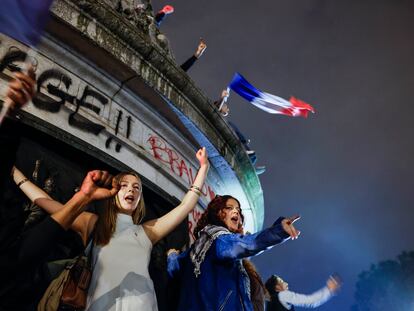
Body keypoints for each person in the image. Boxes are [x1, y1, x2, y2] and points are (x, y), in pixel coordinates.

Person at [14, 147, 209, 311]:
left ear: (140, 199)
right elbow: (48, 203)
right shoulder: (92, 223)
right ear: (113, 192)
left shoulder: (147, 232)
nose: (131, 190)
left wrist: (203, 168)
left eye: (136, 188)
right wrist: (15, 174)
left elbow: (185, 206)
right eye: (124, 185)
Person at [167, 195, 300, 311]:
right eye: (229, 207)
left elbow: (175, 269)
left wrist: (171, 256)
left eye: (238, 209)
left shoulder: (195, 251)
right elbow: (248, 244)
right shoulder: (219, 240)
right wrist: (278, 231)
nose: (236, 210)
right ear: (217, 212)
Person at [265, 274, 341, 310]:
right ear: (277, 287)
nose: (286, 283)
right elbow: (310, 301)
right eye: (282, 282)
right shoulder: (283, 295)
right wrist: (328, 289)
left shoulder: (271, 302)